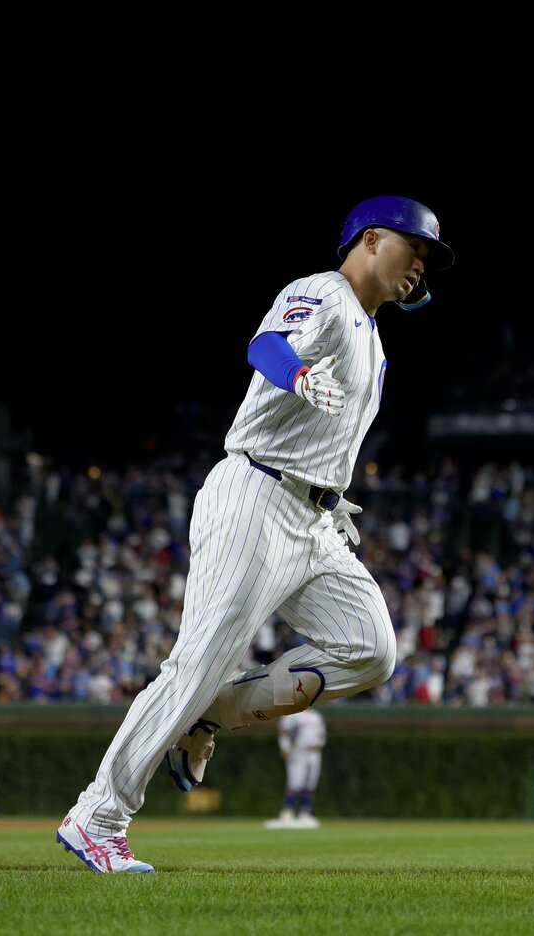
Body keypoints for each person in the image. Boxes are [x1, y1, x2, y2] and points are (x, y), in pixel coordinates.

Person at [56, 196, 454, 873]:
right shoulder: (322, 292)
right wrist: (297, 373)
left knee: (371, 649)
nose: (421, 262)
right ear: (368, 239)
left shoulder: (376, 340)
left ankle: (211, 713)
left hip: (314, 518)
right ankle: (98, 815)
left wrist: (329, 499)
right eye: (413, 246)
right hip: (258, 494)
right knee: (197, 657)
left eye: (427, 256)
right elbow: (264, 344)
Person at [266, 706, 327, 829]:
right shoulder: (292, 714)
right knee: (295, 782)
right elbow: (284, 731)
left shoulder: (316, 716)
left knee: (310, 783)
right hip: (298, 751)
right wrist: (285, 748)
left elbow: (322, 735)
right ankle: (287, 811)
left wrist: (320, 744)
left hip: (314, 753)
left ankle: (305, 813)